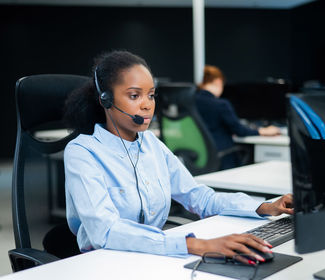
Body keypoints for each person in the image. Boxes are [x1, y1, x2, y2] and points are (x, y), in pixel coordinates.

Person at [63, 50, 293, 263]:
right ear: (106, 100)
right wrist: (195, 244)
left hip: (153, 255)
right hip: (104, 262)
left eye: (151, 95)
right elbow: (105, 231)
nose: (146, 105)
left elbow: (199, 197)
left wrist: (264, 207)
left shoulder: (151, 144)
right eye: (134, 96)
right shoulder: (83, 152)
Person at [196, 65, 281, 170]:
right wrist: (262, 131)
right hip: (222, 158)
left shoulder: (190, 102)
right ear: (218, 81)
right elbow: (239, 130)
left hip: (200, 158)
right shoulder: (220, 104)